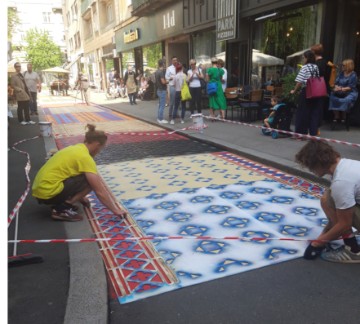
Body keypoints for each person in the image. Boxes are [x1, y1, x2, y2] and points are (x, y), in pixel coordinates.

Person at [32, 124, 127, 222]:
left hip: (40, 190)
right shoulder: (85, 157)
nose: (99, 151)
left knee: (82, 174)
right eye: (101, 148)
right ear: (97, 144)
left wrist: (81, 197)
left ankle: (62, 203)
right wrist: (116, 210)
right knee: (92, 181)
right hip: (48, 193)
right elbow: (99, 190)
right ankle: (62, 209)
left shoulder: (75, 148)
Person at [295, 140, 360, 263]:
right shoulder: (346, 164)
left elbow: (344, 224)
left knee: (332, 199)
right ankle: (349, 242)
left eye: (310, 166)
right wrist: (324, 236)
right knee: (328, 198)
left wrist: (317, 244)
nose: (310, 170)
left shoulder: (341, 182)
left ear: (318, 163)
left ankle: (353, 251)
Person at [290, 50, 322, 136]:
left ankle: (301, 132)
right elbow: (317, 78)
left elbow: (299, 81)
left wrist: (294, 90)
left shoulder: (304, 67)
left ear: (307, 58)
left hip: (306, 91)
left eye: (303, 57)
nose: (303, 59)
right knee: (313, 112)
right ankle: (312, 132)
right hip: (316, 92)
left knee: (302, 112)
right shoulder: (316, 67)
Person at [328, 59, 358, 123]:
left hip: (349, 92)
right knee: (332, 96)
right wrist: (336, 87)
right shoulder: (341, 73)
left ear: (348, 66)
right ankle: (337, 115)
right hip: (340, 90)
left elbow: (350, 87)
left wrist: (341, 89)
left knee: (346, 100)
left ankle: (344, 115)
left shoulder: (353, 75)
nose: (342, 66)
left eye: (343, 65)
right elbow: (336, 82)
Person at [311, 43, 331, 127]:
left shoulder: (317, 64)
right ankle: (316, 125)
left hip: (317, 86)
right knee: (319, 106)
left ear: (314, 52)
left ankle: (315, 126)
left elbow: (317, 75)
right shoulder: (326, 62)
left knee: (315, 107)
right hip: (323, 86)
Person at [155, 59, 168, 124]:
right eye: (164, 64)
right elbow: (163, 82)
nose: (165, 65)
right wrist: (168, 81)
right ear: (162, 64)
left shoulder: (157, 72)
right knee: (162, 105)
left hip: (158, 90)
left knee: (160, 105)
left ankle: (159, 118)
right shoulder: (161, 72)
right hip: (162, 90)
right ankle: (160, 119)